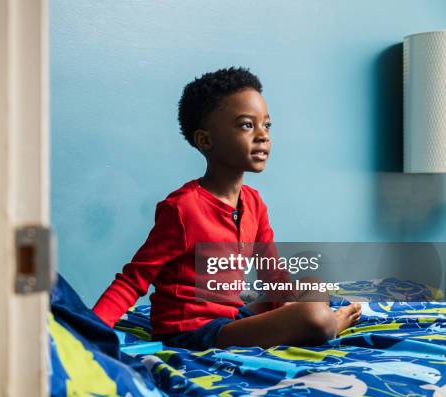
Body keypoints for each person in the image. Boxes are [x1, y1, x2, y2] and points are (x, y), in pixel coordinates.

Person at [92, 67, 361, 350]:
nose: (262, 136)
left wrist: (289, 305)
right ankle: (328, 324)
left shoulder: (254, 202)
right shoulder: (182, 209)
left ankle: (313, 321)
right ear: (206, 140)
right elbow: (132, 280)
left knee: (311, 282)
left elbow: (273, 275)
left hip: (231, 316)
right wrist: (88, 330)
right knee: (312, 314)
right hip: (194, 332)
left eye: (266, 125)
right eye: (247, 125)